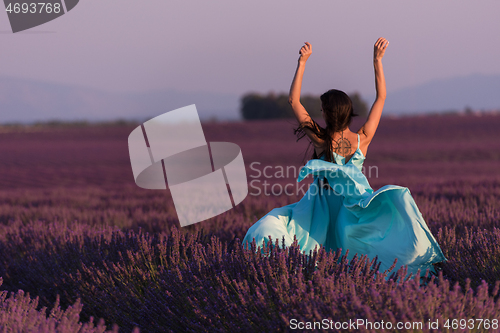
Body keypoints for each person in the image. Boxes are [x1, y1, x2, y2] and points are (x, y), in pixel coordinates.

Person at [242, 38, 446, 276]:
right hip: (354, 207)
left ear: (326, 114)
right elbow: (381, 98)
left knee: (282, 233)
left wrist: (302, 62)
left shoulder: (321, 140)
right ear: (349, 112)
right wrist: (377, 61)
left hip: (321, 209)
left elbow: (293, 101)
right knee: (362, 258)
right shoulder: (363, 139)